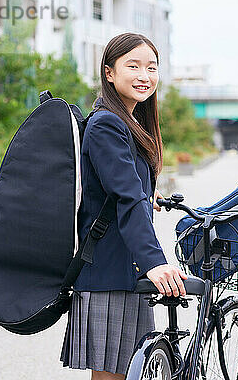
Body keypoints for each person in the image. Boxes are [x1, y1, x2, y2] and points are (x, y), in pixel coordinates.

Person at [60, 33, 187, 380]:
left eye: (152, 67)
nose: (144, 75)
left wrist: (150, 196)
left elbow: (120, 187)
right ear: (109, 72)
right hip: (108, 272)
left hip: (122, 270)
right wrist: (155, 263)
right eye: (133, 66)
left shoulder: (127, 123)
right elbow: (126, 198)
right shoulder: (107, 124)